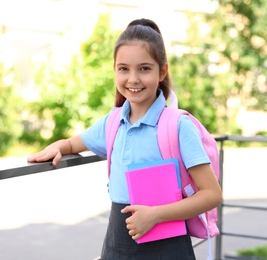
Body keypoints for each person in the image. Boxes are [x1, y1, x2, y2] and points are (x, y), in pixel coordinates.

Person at [28, 18, 222, 260]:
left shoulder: (179, 126)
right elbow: (72, 144)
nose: (133, 79)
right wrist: (57, 147)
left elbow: (212, 194)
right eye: (123, 69)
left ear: (162, 71)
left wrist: (155, 215)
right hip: (117, 243)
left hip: (167, 247)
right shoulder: (112, 122)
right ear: (114, 70)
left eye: (144, 68)